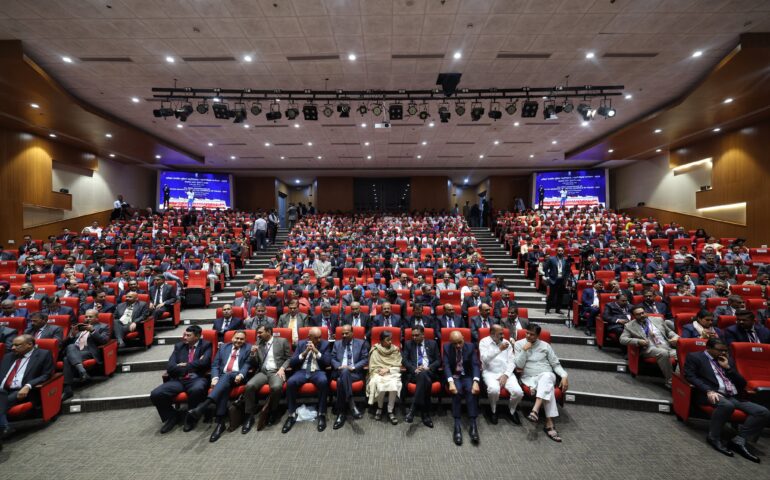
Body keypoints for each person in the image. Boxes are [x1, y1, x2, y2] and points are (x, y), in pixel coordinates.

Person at [684, 337, 768, 462]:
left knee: (763, 412)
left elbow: (742, 383)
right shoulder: (695, 357)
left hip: (732, 395)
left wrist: (728, 367)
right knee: (727, 405)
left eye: (725, 350)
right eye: (720, 350)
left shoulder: (726, 359)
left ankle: (739, 440)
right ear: (708, 348)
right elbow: (690, 376)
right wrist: (708, 390)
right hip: (711, 393)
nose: (723, 353)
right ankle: (713, 437)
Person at [186, 330, 252, 442]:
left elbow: (247, 364)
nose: (239, 341)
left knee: (226, 377)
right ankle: (220, 423)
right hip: (223, 378)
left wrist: (241, 375)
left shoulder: (249, 348)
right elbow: (215, 365)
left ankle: (204, 405)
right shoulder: (223, 347)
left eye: (241, 339)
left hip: (237, 377)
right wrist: (215, 378)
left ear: (245, 340)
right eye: (237, 338)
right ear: (232, 338)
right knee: (224, 387)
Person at [150, 325, 212, 434]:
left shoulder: (206, 345)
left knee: (197, 389)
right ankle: (172, 416)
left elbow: (205, 363)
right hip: (178, 380)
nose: (185, 337)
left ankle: (191, 417)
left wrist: (185, 365)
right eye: (185, 335)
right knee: (156, 394)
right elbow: (170, 367)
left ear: (197, 336)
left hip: (196, 378)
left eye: (188, 335)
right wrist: (193, 365)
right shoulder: (179, 346)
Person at [514, 324, 568, 442]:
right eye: (527, 333)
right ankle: (549, 423)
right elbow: (519, 365)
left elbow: (555, 364)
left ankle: (535, 410)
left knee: (546, 377)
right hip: (529, 378)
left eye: (532, 334)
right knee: (547, 387)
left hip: (546, 374)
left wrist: (564, 375)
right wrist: (524, 350)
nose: (528, 336)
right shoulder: (519, 344)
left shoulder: (545, 346)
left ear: (538, 336)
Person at [0, 334, 54, 439]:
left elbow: (46, 375)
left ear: (29, 344)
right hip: (2, 391)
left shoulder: (43, 354)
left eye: (17, 345)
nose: (13, 348)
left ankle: (4, 426)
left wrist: (28, 385)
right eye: (13, 345)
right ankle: (5, 426)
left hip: (22, 391)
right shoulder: (8, 356)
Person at [242, 325, 291, 433]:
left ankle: (273, 411)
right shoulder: (258, 343)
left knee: (276, 387)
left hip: (276, 371)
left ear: (268, 332)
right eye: (257, 333)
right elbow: (254, 363)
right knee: (249, 386)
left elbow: (289, 358)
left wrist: (282, 368)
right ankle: (249, 415)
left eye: (260, 332)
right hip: (263, 372)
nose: (258, 335)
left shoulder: (282, 341)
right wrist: (253, 354)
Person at [281, 327, 330, 434]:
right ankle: (291, 414)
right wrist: (304, 352)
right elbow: (292, 362)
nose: (319, 340)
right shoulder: (301, 344)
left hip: (317, 371)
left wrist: (316, 351)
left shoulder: (325, 344)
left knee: (324, 381)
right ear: (309, 337)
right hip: (302, 371)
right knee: (291, 382)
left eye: (320, 337)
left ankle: (321, 413)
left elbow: (327, 362)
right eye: (316, 338)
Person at [620, 306, 679, 388]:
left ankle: (679, 379)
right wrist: (638, 341)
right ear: (634, 316)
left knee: (684, 355)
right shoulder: (629, 326)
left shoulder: (658, 320)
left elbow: (669, 332)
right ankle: (670, 381)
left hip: (666, 346)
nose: (642, 315)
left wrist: (675, 337)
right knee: (663, 353)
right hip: (649, 349)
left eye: (643, 313)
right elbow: (622, 339)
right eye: (638, 314)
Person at [61, 309, 110, 400]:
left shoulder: (103, 326)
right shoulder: (78, 327)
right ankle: (82, 371)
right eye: (86, 316)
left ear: (97, 318)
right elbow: (63, 344)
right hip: (74, 351)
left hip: (88, 352)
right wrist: (71, 335)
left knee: (66, 359)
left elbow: (104, 340)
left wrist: (92, 331)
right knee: (70, 348)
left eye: (90, 317)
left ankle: (67, 389)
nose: (87, 318)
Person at [480, 324, 523, 425]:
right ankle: (493, 410)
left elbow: (512, 361)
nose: (503, 336)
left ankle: (511, 410)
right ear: (492, 334)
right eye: (500, 334)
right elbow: (485, 360)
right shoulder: (484, 342)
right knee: (493, 390)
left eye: (503, 333)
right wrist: (499, 349)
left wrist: (506, 375)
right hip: (490, 372)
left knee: (518, 392)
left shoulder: (506, 343)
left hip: (506, 373)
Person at [444, 330, 480, 446]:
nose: (458, 345)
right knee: (457, 392)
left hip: (467, 375)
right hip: (454, 376)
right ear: (450, 342)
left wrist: (476, 381)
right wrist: (450, 382)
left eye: (460, 342)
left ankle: (473, 424)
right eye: (455, 343)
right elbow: (446, 366)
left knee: (471, 391)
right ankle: (457, 425)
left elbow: (475, 365)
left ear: (463, 338)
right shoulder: (446, 347)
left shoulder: (470, 347)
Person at [331, 324, 368, 429]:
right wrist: (339, 366)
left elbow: (365, 359)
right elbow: (332, 358)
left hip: (354, 373)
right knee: (344, 372)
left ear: (352, 333)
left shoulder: (361, 343)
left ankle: (341, 413)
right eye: (342, 333)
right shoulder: (337, 343)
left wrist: (353, 367)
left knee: (340, 381)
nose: (344, 335)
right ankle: (352, 405)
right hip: (340, 371)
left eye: (346, 333)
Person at [402, 325, 439, 427]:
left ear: (423, 335)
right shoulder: (408, 344)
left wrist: (428, 367)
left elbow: (438, 361)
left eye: (417, 335)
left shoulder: (433, 344)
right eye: (413, 335)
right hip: (415, 374)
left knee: (423, 375)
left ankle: (412, 410)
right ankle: (425, 415)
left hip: (429, 372)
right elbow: (404, 360)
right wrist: (414, 369)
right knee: (424, 379)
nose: (414, 337)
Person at [366, 330, 402, 425]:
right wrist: (380, 371)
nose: (390, 342)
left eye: (391, 339)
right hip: (379, 373)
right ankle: (380, 407)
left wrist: (388, 370)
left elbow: (398, 366)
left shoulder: (395, 350)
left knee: (393, 385)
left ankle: (390, 410)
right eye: (388, 340)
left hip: (392, 373)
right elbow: (372, 367)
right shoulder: (375, 350)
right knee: (380, 384)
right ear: (381, 341)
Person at [543, 246, 569, 315]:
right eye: (559, 251)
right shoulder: (551, 259)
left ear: (563, 252)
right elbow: (545, 268)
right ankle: (547, 309)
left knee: (560, 296)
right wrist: (547, 276)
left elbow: (567, 270)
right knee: (551, 296)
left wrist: (566, 279)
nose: (560, 252)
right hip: (553, 280)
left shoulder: (565, 260)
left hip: (562, 280)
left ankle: (558, 309)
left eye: (562, 251)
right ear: (557, 251)